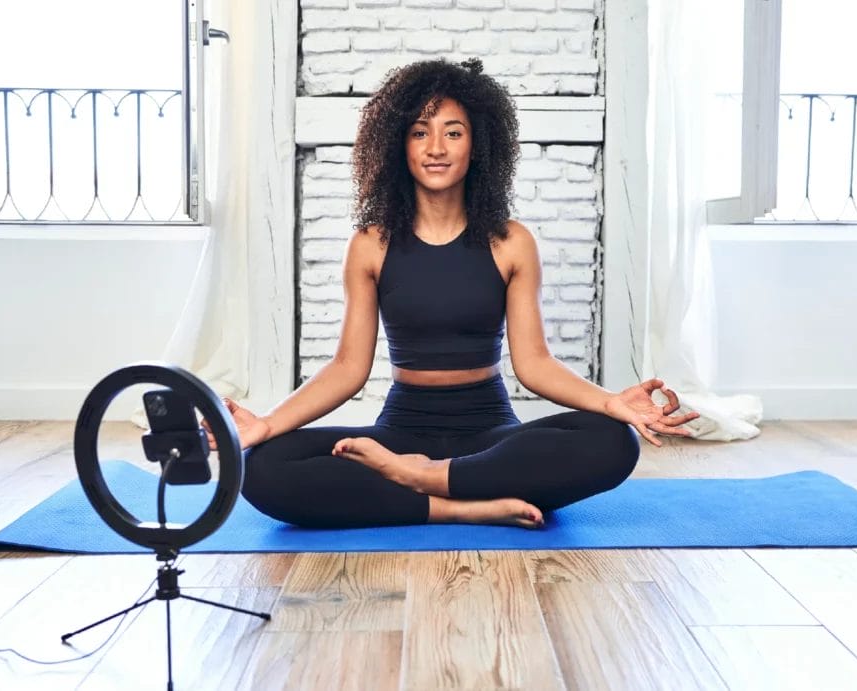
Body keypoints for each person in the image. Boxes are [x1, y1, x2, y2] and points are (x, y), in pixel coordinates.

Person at [209, 58, 699, 529]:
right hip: (400, 432)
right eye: (420, 132)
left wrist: (612, 403)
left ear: (476, 145)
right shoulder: (369, 246)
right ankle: (460, 507)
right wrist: (266, 426)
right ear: (399, 145)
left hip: (490, 435)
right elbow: (346, 369)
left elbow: (535, 365)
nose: (436, 147)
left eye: (453, 132)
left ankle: (425, 481)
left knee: (615, 442)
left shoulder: (512, 242)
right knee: (261, 466)